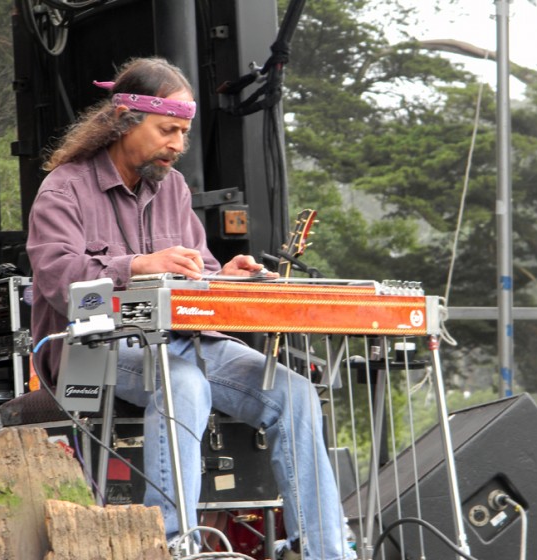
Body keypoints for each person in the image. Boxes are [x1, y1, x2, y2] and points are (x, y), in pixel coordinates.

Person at [26, 56, 355, 560]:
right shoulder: (64, 187)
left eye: (183, 132)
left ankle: (327, 552)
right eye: (167, 130)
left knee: (296, 392)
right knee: (180, 381)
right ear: (123, 121)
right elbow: (57, 282)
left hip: (185, 342)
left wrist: (226, 278)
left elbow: (195, 271)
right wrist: (136, 264)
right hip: (87, 354)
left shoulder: (173, 189)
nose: (178, 145)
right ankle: (175, 545)